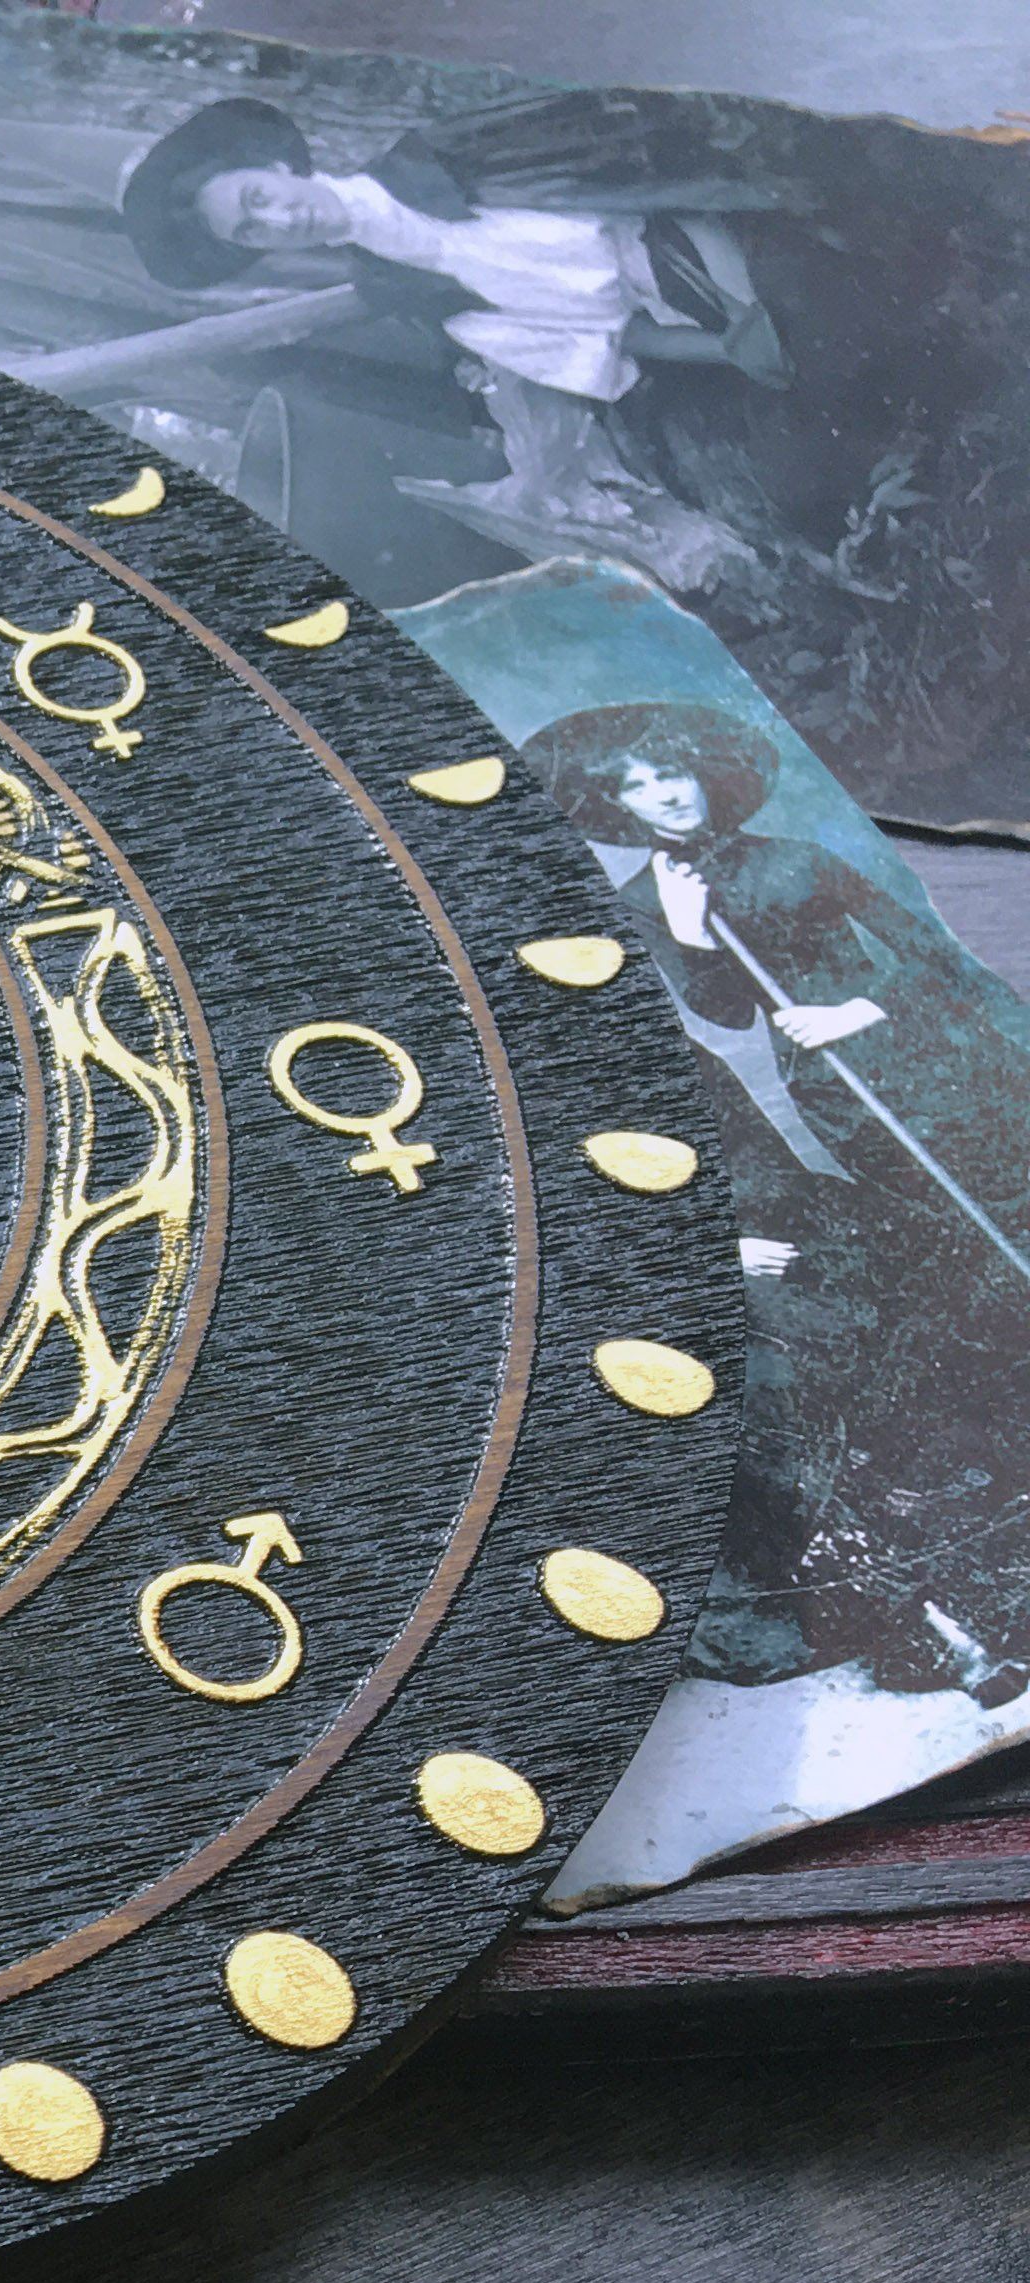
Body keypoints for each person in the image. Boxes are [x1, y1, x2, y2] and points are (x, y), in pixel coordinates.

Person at [522, 699, 1030, 1706]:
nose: (669, 792)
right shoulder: (646, 898)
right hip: (839, 1102)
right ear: (615, 801)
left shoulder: (797, 859)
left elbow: (937, 962)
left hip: (922, 1064)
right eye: (639, 781)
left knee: (994, 1216)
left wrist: (857, 1008)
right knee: (934, 1262)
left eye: (677, 771)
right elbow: (721, 1008)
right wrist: (680, 923)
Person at [117, 95, 783, 589]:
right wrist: (732, 348)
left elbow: (654, 178)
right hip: (694, 320)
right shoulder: (408, 290)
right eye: (251, 232)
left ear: (274, 164)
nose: (282, 219)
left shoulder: (440, 156)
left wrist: (740, 298)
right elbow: (612, 336)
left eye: (258, 197)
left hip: (715, 237)